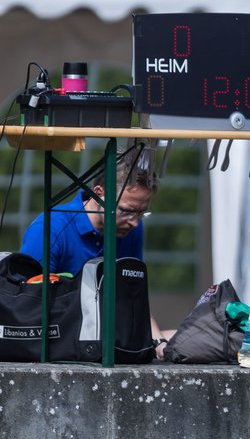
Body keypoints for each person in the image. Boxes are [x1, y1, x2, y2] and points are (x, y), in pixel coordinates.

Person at [20, 143, 173, 357]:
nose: (135, 223)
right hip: (57, 340)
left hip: (102, 337)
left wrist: (160, 342)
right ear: (99, 193)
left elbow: (132, 300)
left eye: (141, 213)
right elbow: (28, 308)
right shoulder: (50, 229)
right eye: (127, 211)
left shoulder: (129, 230)